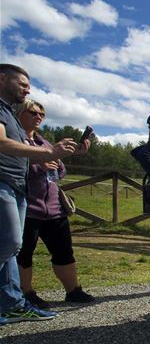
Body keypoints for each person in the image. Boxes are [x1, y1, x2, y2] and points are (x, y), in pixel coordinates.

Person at [0, 64, 77, 325]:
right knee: (10, 244)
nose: (27, 89)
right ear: (2, 79)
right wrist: (45, 155)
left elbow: (57, 167)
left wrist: (53, 154)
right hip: (6, 184)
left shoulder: (10, 115)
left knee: (11, 247)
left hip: (20, 188)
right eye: (22, 84)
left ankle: (12, 304)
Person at [15, 100, 95, 307]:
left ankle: (73, 290)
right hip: (27, 207)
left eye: (41, 114)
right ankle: (26, 293)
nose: (38, 117)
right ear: (19, 113)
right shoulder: (14, 141)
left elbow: (60, 172)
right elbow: (13, 168)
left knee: (63, 250)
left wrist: (66, 156)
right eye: (32, 112)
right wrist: (39, 165)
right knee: (25, 252)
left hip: (53, 208)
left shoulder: (44, 143)